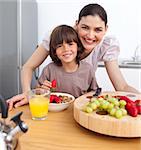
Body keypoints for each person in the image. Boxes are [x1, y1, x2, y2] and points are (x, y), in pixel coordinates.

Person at [7, 3, 140, 110]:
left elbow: (122, 87)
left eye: (98, 30)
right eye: (85, 27)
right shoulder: (59, 37)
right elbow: (28, 67)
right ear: (76, 24)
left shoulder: (107, 45)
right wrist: (27, 93)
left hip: (80, 108)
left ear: (106, 29)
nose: (90, 35)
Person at [37, 24, 98, 98]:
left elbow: (95, 92)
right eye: (59, 46)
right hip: (55, 108)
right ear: (54, 51)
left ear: (78, 46)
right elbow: (37, 91)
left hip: (78, 108)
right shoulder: (49, 70)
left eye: (70, 44)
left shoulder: (87, 69)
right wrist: (42, 90)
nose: (66, 49)